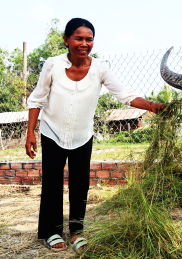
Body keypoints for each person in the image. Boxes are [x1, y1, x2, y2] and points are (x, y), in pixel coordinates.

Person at [25, 18, 166, 253]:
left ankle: (77, 231)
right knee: (52, 183)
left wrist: (152, 105)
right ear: (66, 40)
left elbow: (125, 95)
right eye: (78, 38)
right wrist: (30, 133)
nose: (84, 43)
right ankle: (52, 231)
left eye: (89, 39)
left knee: (80, 184)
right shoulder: (53, 65)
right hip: (52, 132)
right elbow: (37, 99)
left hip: (83, 135)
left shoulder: (100, 68)